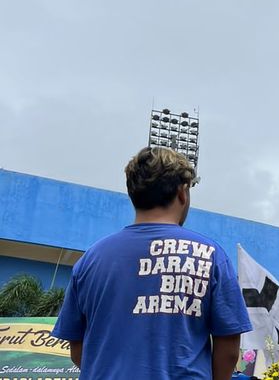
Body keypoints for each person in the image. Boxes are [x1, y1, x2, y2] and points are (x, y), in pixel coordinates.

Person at [52, 147, 252, 379]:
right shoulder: (211, 254)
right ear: (182, 192)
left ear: (133, 194)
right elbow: (228, 348)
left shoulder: (90, 259)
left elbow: (78, 350)